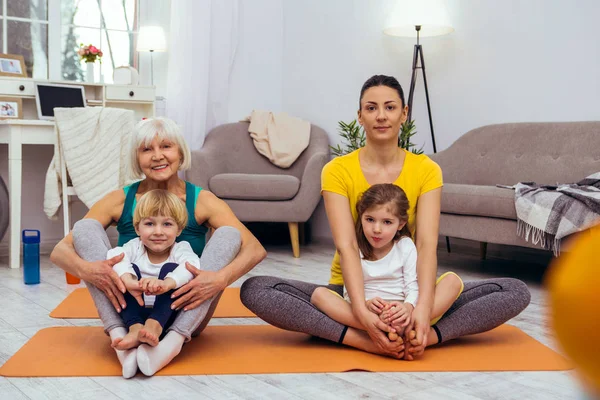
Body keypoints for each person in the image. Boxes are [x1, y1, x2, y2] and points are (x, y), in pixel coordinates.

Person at [241, 74, 531, 360]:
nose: (381, 116)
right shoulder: (336, 170)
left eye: (390, 107)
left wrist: (419, 309)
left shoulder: (427, 170)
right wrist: (363, 314)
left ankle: (424, 335)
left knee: (513, 290)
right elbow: (348, 247)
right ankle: (365, 338)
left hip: (410, 290)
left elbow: (428, 244)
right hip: (353, 290)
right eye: (371, 108)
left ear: (404, 114)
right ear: (360, 116)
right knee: (258, 289)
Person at [50, 117, 266, 377]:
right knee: (84, 228)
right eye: (146, 149)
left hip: (183, 311)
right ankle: (121, 340)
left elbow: (255, 249)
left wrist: (219, 279)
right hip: (125, 310)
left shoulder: (202, 201)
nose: (157, 156)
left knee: (230, 233)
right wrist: (90, 270)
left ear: (180, 152)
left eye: (166, 146)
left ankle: (173, 340)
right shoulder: (120, 199)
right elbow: (59, 251)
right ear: (136, 157)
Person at [311, 183, 463, 342]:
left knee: (452, 281)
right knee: (319, 295)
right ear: (361, 216)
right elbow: (349, 292)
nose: (376, 229)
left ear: (401, 224)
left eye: (387, 222)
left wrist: (408, 307)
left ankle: (402, 328)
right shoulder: (353, 248)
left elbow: (413, 284)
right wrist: (366, 304)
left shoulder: (405, 246)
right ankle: (397, 333)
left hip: (404, 314)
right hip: (367, 315)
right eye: (370, 219)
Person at [109, 189, 200, 353]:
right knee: (124, 271)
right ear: (138, 228)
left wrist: (167, 283)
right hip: (134, 312)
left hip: (167, 316)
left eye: (167, 224)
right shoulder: (135, 247)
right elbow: (114, 255)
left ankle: (154, 326)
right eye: (150, 224)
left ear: (179, 230)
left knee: (171, 269)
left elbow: (192, 265)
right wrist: (128, 280)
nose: (158, 231)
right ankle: (135, 329)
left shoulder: (180, 249)